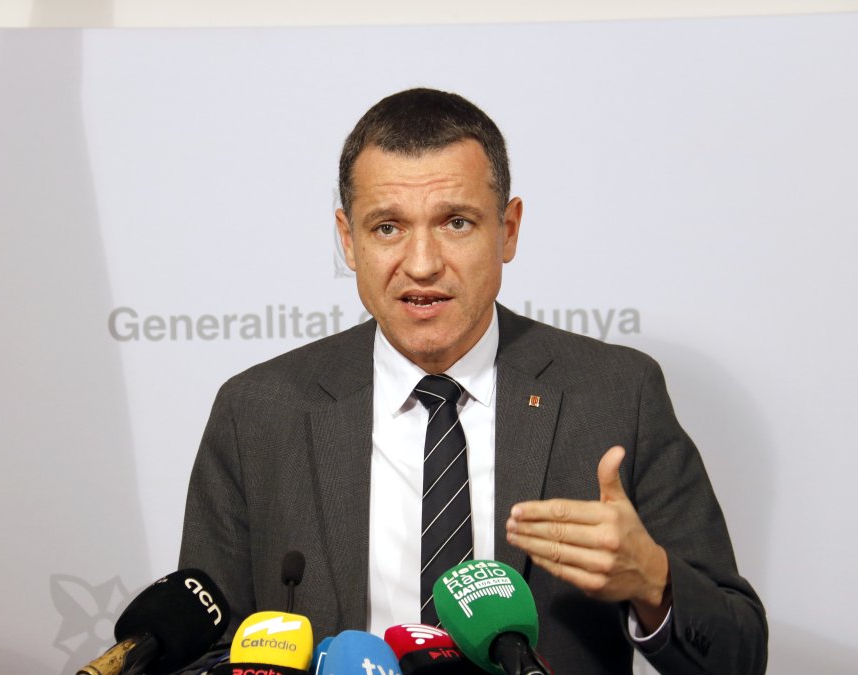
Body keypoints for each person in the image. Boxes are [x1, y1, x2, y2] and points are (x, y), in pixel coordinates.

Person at [179, 88, 767, 673]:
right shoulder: (258, 411)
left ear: (508, 230)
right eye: (387, 228)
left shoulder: (616, 395)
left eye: (456, 222)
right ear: (347, 239)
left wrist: (655, 582)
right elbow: (199, 649)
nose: (422, 263)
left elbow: (739, 656)